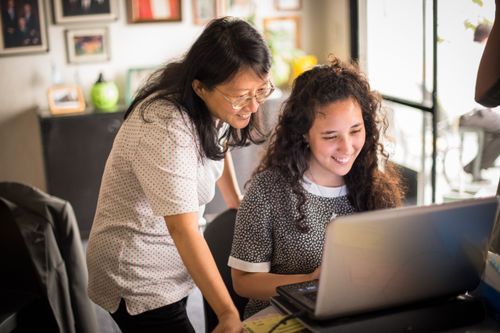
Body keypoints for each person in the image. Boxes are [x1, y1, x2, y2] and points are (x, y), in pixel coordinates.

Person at [86, 16, 272, 332]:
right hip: (136, 268)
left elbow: (219, 141)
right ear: (200, 87)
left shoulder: (217, 103)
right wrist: (227, 313)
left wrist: (235, 200)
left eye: (261, 90)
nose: (253, 106)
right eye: (241, 96)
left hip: (170, 258)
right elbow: (183, 230)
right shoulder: (166, 129)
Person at [228, 57, 404, 318]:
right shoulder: (268, 190)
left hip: (353, 316)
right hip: (282, 318)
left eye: (356, 130)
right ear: (303, 133)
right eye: (330, 136)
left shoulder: (373, 182)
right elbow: (243, 281)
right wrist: (309, 281)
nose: (346, 148)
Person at [459, 22, 500, 178]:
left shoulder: (469, 52)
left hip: (472, 113)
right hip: (470, 114)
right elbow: (482, 98)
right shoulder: (481, 55)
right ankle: (476, 168)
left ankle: (476, 168)